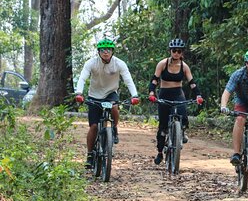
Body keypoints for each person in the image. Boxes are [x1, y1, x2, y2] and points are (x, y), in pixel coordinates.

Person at [75, 38, 140, 168]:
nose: (106, 52)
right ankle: (89, 154)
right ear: (98, 52)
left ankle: (114, 128)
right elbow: (82, 77)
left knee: (115, 107)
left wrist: (135, 95)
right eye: (103, 50)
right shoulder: (91, 63)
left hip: (111, 93)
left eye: (108, 50)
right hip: (94, 95)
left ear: (112, 51)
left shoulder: (119, 64)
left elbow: (128, 79)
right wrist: (79, 93)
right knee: (93, 127)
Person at [148, 38, 204, 165]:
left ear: (182, 53)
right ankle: (160, 152)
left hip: (178, 94)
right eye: (174, 51)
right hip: (164, 94)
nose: (176, 53)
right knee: (162, 126)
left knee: (183, 114)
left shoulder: (184, 66)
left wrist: (198, 96)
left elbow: (192, 83)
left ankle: (182, 132)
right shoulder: (162, 64)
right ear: (170, 51)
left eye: (179, 51)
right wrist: (152, 93)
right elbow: (154, 80)